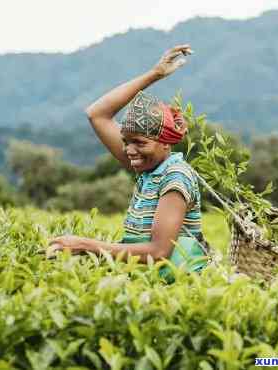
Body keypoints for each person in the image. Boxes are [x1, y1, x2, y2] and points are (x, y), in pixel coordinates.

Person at [47, 44, 209, 275]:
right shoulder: (149, 168)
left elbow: (159, 252)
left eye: (140, 143)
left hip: (179, 284)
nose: (130, 151)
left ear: (165, 142)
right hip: (150, 282)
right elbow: (97, 114)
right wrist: (156, 73)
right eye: (126, 141)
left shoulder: (175, 177)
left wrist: (85, 245)